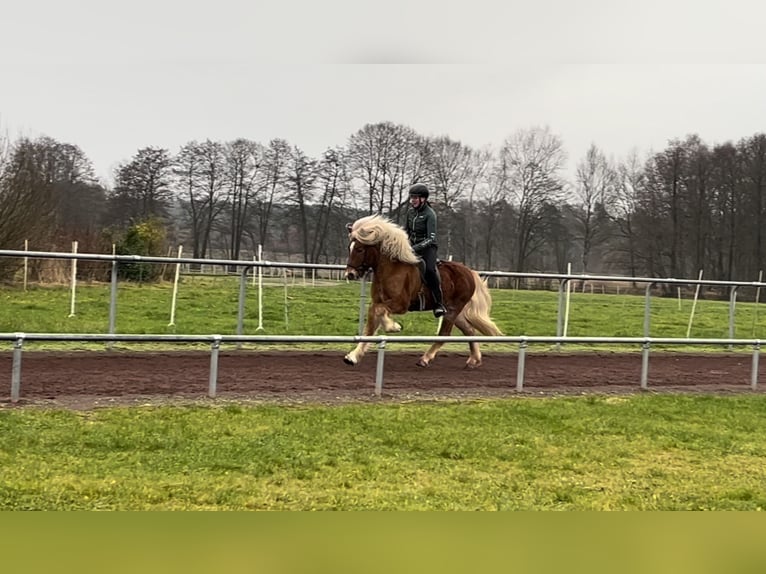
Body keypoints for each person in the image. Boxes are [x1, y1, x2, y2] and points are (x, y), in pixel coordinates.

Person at [406, 183, 446, 318]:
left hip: (428, 248)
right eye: (411, 198)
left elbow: (430, 238)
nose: (413, 200)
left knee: (429, 270)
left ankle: (438, 303)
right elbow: (406, 231)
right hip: (411, 246)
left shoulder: (430, 214)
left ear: (423, 199)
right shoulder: (410, 212)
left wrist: (414, 248)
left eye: (415, 198)